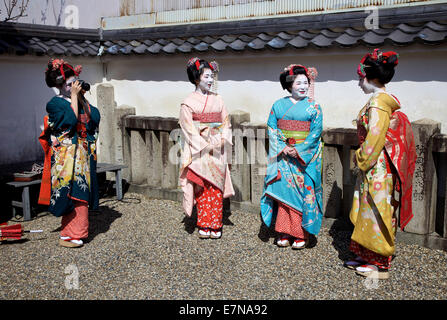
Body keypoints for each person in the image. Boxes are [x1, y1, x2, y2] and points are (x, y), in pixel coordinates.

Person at [345, 49, 416, 279]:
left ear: (370, 77)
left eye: (360, 78)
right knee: (368, 208)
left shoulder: (378, 104)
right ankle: (366, 254)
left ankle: (378, 262)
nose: (358, 83)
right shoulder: (379, 102)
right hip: (377, 163)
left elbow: (375, 137)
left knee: (377, 210)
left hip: (377, 165)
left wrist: (361, 159)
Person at [38, 58, 100, 248]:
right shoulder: (54, 104)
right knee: (71, 193)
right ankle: (69, 234)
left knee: (82, 193)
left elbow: (94, 117)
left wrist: (80, 97)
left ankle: (76, 233)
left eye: (75, 81)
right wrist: (74, 98)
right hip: (66, 156)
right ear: (59, 85)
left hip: (80, 154)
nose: (73, 85)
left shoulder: (78, 99)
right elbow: (70, 122)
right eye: (69, 83)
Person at [260, 64, 323, 249]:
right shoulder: (278, 105)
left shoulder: (315, 107)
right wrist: (282, 147)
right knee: (284, 194)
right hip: (284, 157)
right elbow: (272, 128)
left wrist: (300, 150)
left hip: (304, 159)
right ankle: (284, 231)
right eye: (298, 83)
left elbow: (316, 132)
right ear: (289, 85)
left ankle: (300, 234)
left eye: (306, 82)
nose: (303, 86)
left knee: (301, 195)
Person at [178, 57, 234, 239]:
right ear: (196, 78)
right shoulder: (188, 102)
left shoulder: (219, 100)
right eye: (207, 77)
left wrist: (220, 141)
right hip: (199, 149)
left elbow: (226, 123)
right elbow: (188, 128)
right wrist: (205, 145)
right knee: (201, 186)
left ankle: (215, 224)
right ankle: (203, 223)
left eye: (212, 77)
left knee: (216, 187)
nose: (210, 80)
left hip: (217, 148)